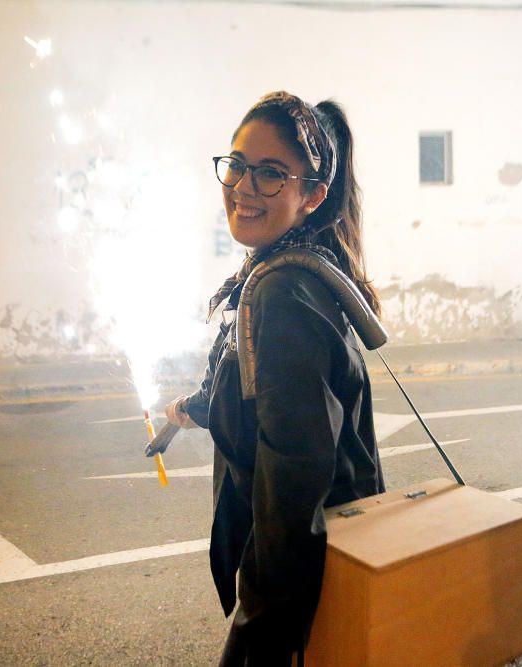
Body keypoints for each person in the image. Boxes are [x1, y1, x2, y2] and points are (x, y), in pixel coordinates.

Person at [164, 91, 385, 665]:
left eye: (270, 175)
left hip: (307, 552)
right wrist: (202, 404)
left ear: (313, 194)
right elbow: (267, 388)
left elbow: (295, 470)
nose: (242, 187)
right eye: (237, 165)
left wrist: (261, 619)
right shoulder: (283, 267)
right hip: (318, 542)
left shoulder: (284, 292)